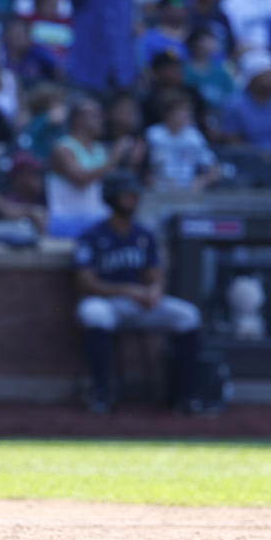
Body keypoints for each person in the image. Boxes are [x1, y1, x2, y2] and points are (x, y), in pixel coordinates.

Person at [73, 173, 203, 413]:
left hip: (139, 304)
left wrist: (154, 290)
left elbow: (154, 274)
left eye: (134, 195)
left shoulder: (143, 234)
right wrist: (128, 290)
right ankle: (101, 392)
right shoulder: (92, 235)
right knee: (94, 314)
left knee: (188, 315)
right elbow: (85, 282)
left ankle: (185, 395)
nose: (132, 200)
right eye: (126, 195)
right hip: (107, 302)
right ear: (112, 198)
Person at [46, 96, 136, 238]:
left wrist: (133, 161)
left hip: (99, 218)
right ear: (77, 119)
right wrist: (113, 159)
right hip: (68, 220)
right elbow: (80, 179)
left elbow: (113, 185)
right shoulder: (62, 148)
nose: (101, 119)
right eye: (95, 115)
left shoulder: (100, 149)